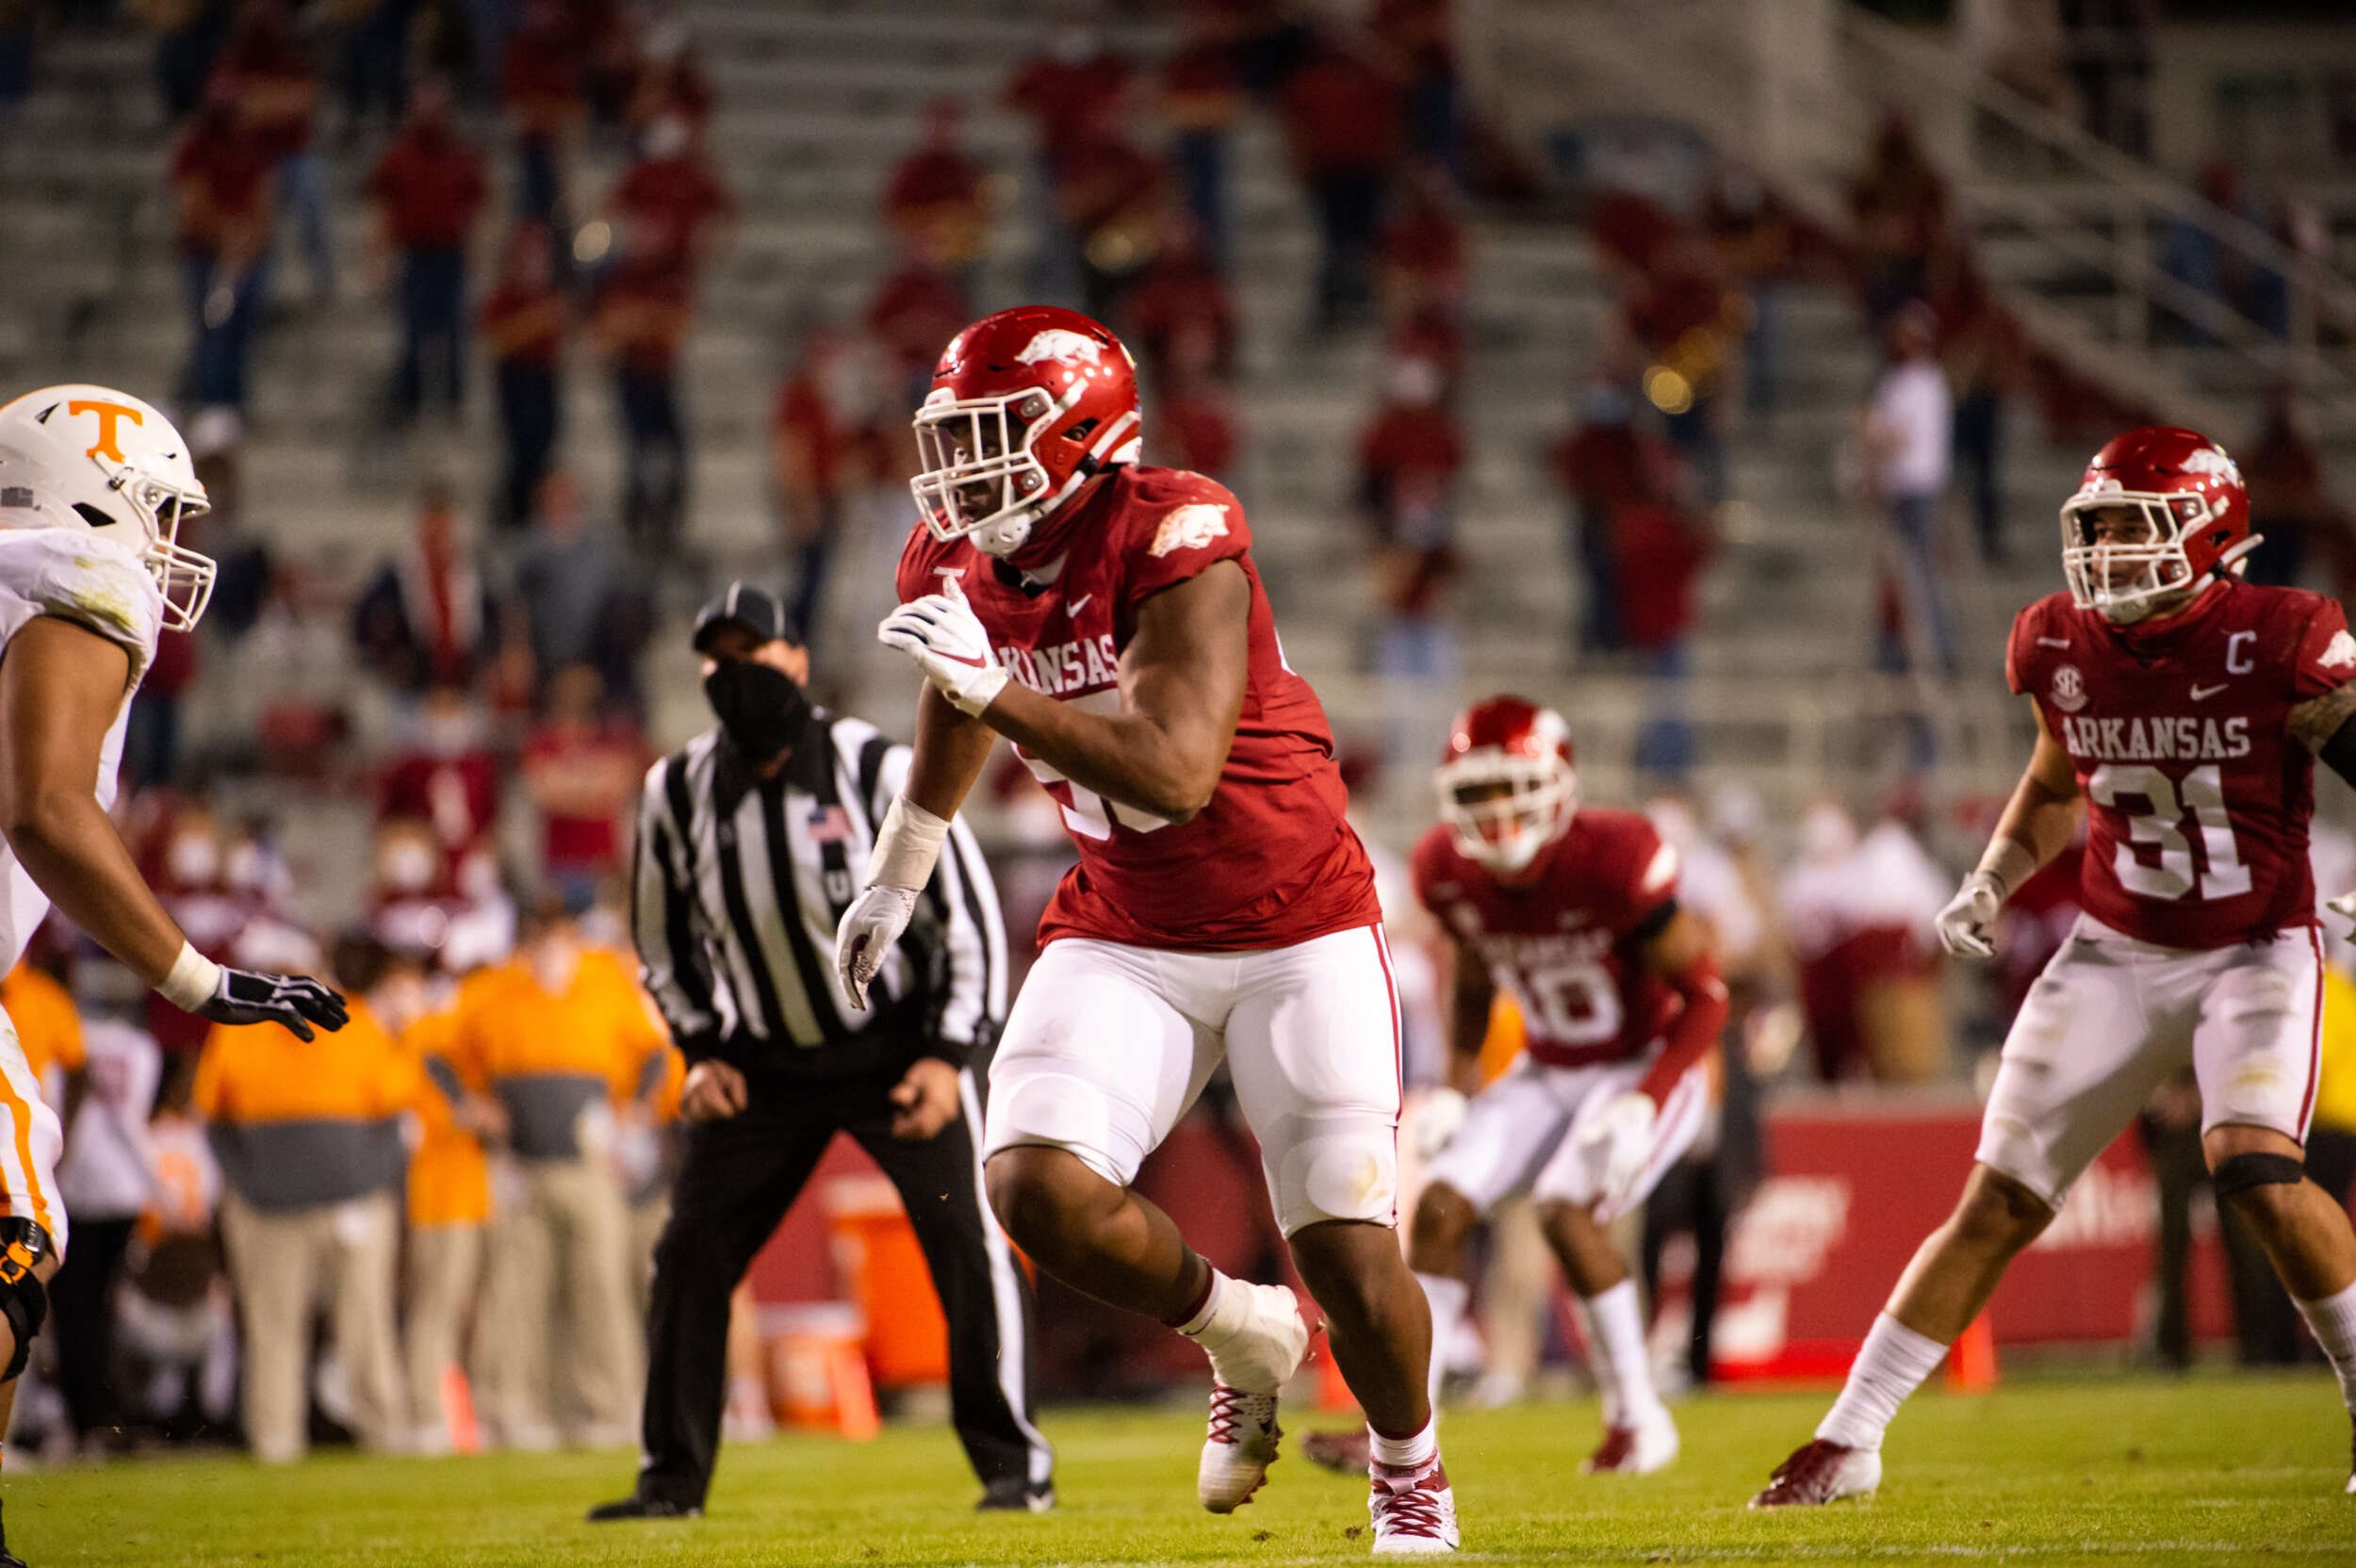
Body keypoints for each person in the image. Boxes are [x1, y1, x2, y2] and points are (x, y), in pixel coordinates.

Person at [842, 306, 1457, 1552]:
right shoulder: (953, 556)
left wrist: (991, 689)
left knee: (1342, 1233)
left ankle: (1410, 1467)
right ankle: (1241, 1328)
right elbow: (965, 694)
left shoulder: (1180, 531)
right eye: (951, 438)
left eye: (993, 434)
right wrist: (900, 867)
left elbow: (1177, 771)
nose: (964, 467)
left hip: (1295, 921)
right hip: (1127, 925)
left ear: (1080, 427)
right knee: (1033, 1185)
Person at [1751, 427, 2356, 1506]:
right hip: (2117, 946)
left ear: (2211, 531)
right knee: (1997, 1198)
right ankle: (1849, 1438)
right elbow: (2050, 783)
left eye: (2139, 523)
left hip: (2254, 946)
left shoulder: (2282, 637)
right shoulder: (2059, 641)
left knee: (2253, 1165)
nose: (2113, 548)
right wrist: (1989, 877)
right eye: (2101, 525)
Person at [590, 581, 1045, 1521]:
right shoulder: (674, 789)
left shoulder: (874, 765)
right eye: (717, 657)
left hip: (895, 1051)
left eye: (753, 651)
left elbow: (962, 917)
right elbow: (662, 942)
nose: (736, 673)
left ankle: (1014, 1466)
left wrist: (946, 1054)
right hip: (761, 1060)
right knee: (689, 1253)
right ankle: (669, 1479)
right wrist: (700, 1050)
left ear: (796, 659)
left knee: (967, 1243)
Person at [0, 385, 346, 1559]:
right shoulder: (75, 574)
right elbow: (46, 804)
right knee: (12, 1228)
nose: (165, 543)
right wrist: (195, 976)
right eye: (155, 509)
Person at [1302, 699, 1726, 1478]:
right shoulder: (1448, 870)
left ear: (1556, 785)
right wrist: (1457, 1086)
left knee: (1567, 1212)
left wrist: (1648, 1096)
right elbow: (1470, 984)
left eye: (1511, 790)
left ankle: (1638, 1419)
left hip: (1644, 1064)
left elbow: (1707, 998)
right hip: (1546, 1069)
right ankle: (1399, 1431)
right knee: (1438, 1209)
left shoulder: (1616, 855)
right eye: (1478, 793)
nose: (1495, 812)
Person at [195, 936, 417, 1462]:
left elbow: (394, 1118)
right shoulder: (236, 1033)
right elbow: (214, 1119)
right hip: (269, 1209)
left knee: (366, 1324)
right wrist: (249, 1186)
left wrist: (367, 1184)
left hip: (353, 1205)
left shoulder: (356, 1022)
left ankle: (386, 1433)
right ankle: (275, 1440)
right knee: (273, 1328)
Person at [366, 79, 488, 427]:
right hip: (415, 257)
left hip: (450, 257)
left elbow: (476, 211)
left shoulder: (462, 156)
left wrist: (478, 259)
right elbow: (384, 210)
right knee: (412, 331)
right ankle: (410, 401)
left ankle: (451, 402)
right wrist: (378, 258)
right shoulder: (400, 156)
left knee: (453, 333)